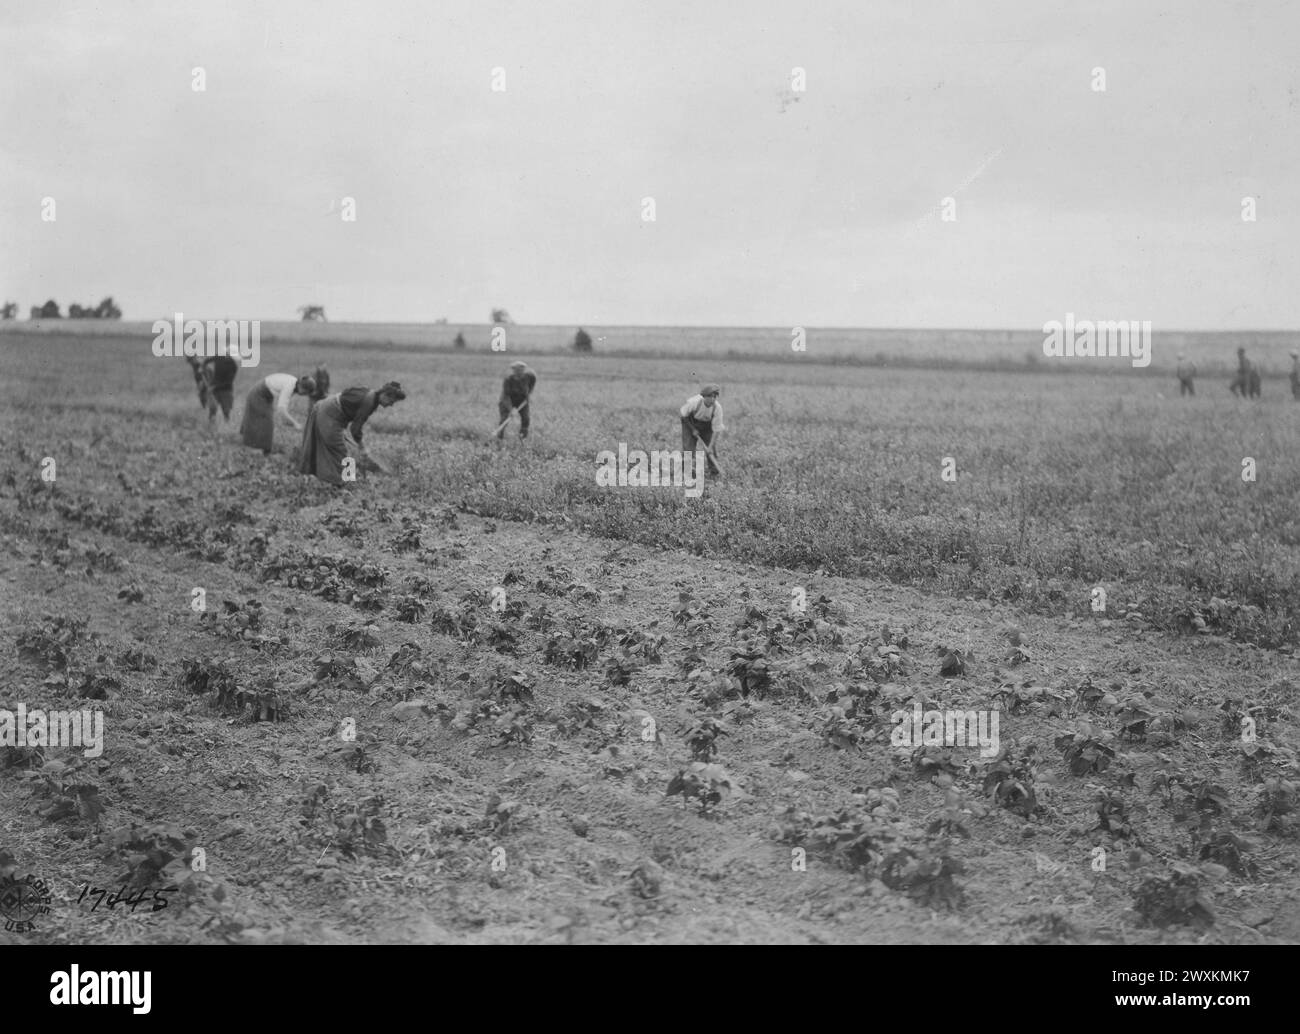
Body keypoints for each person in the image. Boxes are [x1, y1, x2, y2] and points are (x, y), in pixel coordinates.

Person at [298, 381, 406, 485]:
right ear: (385, 395)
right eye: (391, 401)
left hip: (330, 409)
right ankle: (343, 483)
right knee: (341, 451)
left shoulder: (371, 394)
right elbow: (355, 429)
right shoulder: (369, 402)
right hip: (329, 414)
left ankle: (340, 481)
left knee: (343, 450)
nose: (390, 405)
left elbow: (347, 394)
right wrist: (362, 447)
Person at [240, 373, 316, 454]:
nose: (304, 395)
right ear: (302, 387)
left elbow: (283, 408)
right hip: (258, 395)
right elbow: (282, 409)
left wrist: (288, 422)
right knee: (263, 421)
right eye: (305, 392)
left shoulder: (294, 384)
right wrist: (295, 423)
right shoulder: (290, 386)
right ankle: (255, 450)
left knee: (266, 421)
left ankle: (263, 450)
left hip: (265, 396)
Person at [680, 383, 724, 478]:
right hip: (690, 423)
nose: (712, 399)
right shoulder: (694, 402)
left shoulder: (717, 408)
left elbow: (716, 430)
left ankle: (714, 473)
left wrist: (709, 447)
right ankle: (686, 472)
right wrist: (693, 429)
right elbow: (683, 416)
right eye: (709, 397)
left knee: (711, 450)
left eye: (714, 397)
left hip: (707, 426)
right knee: (688, 448)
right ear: (704, 397)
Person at [200, 342, 240, 423]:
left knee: (226, 411)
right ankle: (211, 426)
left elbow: (228, 382)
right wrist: (203, 367)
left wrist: (214, 386)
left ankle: (227, 426)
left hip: (226, 391)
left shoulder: (233, 366)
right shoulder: (218, 357)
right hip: (214, 390)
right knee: (212, 409)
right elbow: (207, 360)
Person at [497, 360, 536, 439]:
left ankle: (522, 438)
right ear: (513, 371)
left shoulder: (529, 376)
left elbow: (533, 382)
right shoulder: (508, 380)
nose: (519, 373)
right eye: (517, 371)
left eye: (521, 370)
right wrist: (511, 409)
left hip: (522, 400)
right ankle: (499, 438)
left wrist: (529, 393)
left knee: (526, 418)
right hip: (507, 400)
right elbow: (506, 396)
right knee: (504, 419)